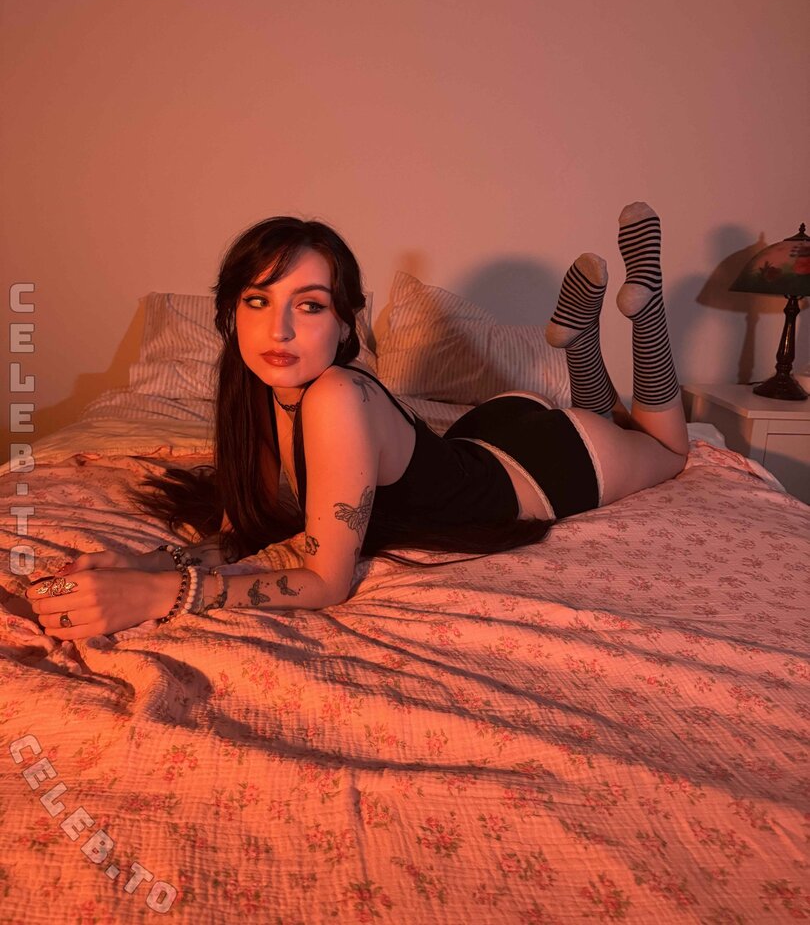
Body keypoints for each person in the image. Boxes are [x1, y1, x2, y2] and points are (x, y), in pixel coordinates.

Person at [26, 202, 688, 640]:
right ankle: (579, 341)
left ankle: (646, 303)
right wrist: (144, 563)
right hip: (484, 432)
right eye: (258, 301)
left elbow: (326, 581)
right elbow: (247, 534)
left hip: (545, 464)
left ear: (346, 325)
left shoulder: (337, 394)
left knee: (667, 447)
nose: (280, 329)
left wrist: (159, 596)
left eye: (309, 305)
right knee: (606, 415)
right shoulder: (260, 394)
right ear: (230, 314)